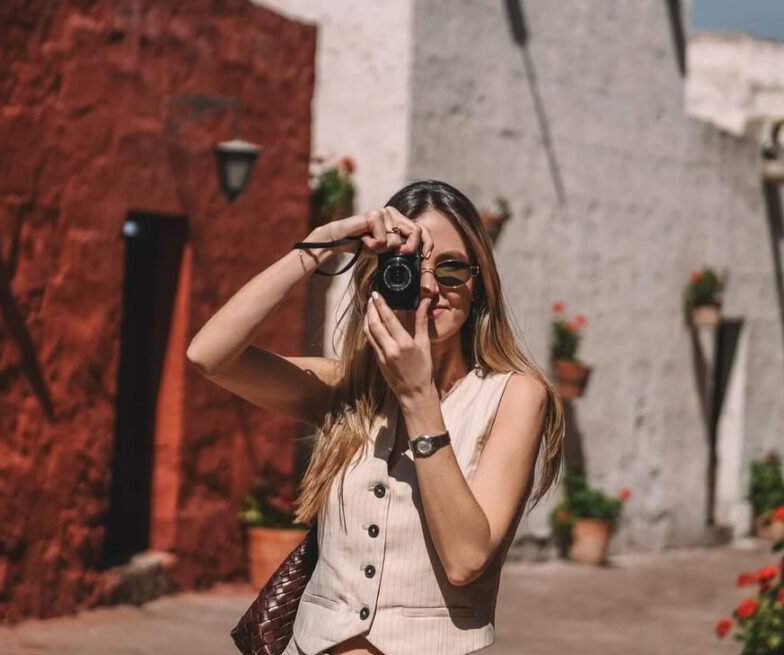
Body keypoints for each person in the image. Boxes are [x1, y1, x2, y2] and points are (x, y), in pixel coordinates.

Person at [186, 180, 564, 655]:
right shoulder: (346, 389)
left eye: (451, 270)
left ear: (479, 287)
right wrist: (321, 245)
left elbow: (466, 560)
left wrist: (418, 399)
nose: (429, 286)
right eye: (409, 266)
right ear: (380, 281)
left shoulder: (514, 396)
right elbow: (209, 356)